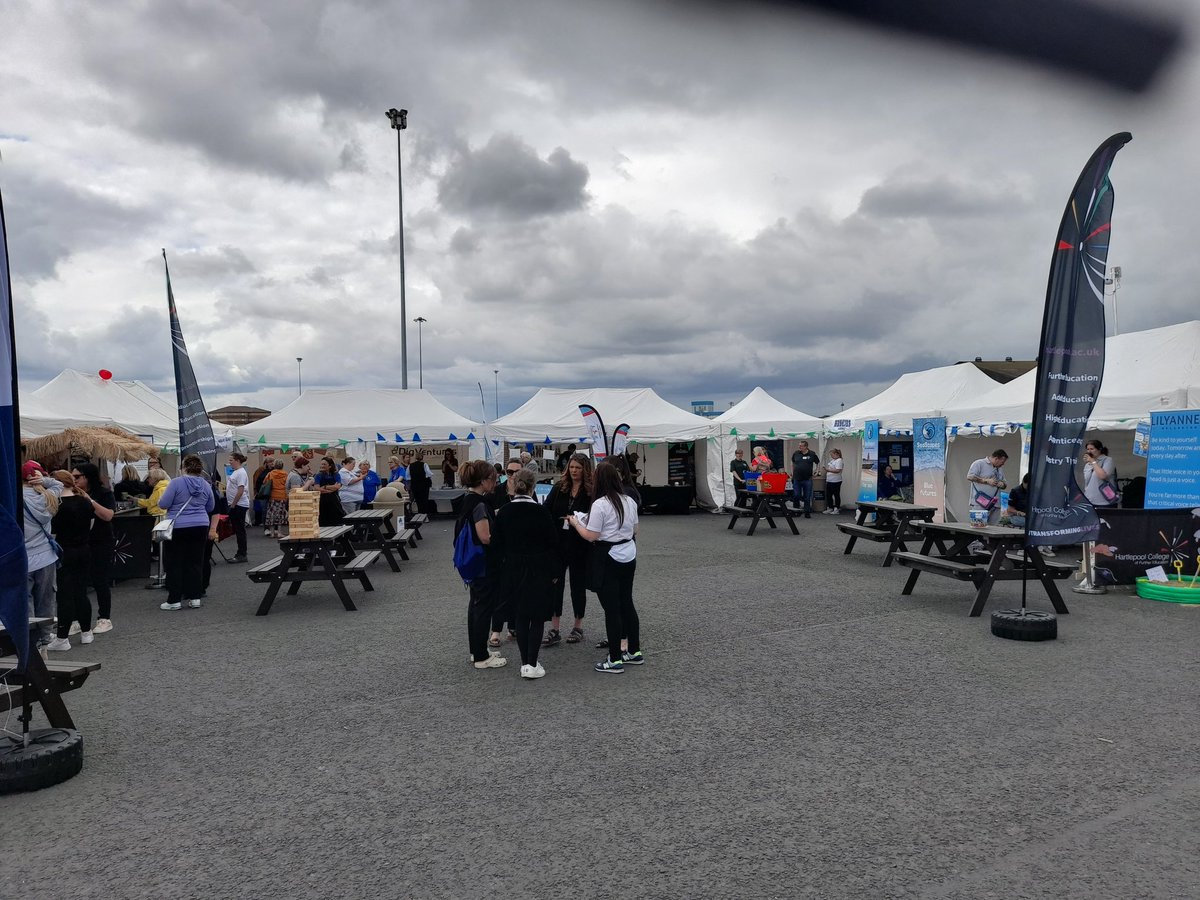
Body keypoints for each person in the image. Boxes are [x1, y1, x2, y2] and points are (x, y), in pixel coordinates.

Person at [568, 461, 641, 673]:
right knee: (626, 602)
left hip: (607, 556)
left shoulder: (600, 504)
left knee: (611, 608)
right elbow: (635, 530)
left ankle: (615, 659)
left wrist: (576, 523)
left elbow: (591, 535)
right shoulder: (629, 501)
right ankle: (634, 651)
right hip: (628, 554)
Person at [491, 467, 560, 679]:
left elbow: (496, 545)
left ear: (513, 484)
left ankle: (524, 663)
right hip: (539, 567)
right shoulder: (542, 512)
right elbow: (553, 544)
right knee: (537, 616)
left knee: (520, 615)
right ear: (533, 487)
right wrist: (555, 571)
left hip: (512, 567)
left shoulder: (504, 511)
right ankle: (532, 661)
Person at [457, 460, 506, 670]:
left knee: (475, 605)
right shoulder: (479, 504)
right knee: (483, 607)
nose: (495, 483)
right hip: (484, 563)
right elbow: (485, 537)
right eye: (493, 479)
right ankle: (481, 656)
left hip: (472, 563)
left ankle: (475, 650)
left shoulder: (468, 499)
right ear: (484, 480)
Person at [543, 452, 593, 647]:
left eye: (578, 468)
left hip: (580, 544)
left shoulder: (590, 492)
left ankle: (577, 625)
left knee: (578, 586)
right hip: (558, 544)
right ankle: (554, 628)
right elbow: (546, 509)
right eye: (571, 467)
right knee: (555, 585)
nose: (574, 471)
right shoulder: (559, 488)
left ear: (585, 470)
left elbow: (594, 516)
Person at [156, 453, 216, 611]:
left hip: (179, 526)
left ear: (184, 467)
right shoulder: (205, 484)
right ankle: (195, 597)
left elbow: (163, 503)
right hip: (201, 524)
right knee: (196, 562)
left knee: (175, 562)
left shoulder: (176, 483)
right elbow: (211, 507)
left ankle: (174, 599)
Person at [48, 467, 97, 651]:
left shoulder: (57, 506)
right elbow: (91, 525)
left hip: (65, 551)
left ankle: (62, 638)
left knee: (65, 595)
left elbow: (52, 534)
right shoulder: (85, 502)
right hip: (84, 549)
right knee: (81, 592)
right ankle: (87, 632)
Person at [73, 462, 117, 634]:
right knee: (79, 581)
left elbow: (108, 515)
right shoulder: (72, 494)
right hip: (81, 541)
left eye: (77, 477)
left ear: (87, 477)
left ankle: (104, 618)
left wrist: (89, 500)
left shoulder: (104, 493)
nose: (74, 480)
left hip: (101, 540)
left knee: (100, 580)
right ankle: (78, 619)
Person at [22, 461, 62, 650]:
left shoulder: (14, 497)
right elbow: (59, 484)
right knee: (46, 599)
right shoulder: (49, 497)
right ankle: (45, 638)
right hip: (46, 556)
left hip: (22, 558)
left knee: (26, 600)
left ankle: (31, 641)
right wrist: (45, 480)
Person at [967, 449, 1009, 524]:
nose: (1003, 464)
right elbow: (970, 477)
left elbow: (1005, 483)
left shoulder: (1000, 469)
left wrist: (1002, 484)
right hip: (980, 503)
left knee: (993, 528)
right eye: (1002, 462)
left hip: (995, 504)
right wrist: (986, 480)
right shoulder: (979, 463)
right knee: (979, 526)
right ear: (996, 458)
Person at [226, 452, 250, 562]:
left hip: (239, 504)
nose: (229, 462)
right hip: (236, 504)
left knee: (240, 530)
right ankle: (241, 553)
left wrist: (233, 505)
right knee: (238, 529)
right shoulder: (237, 472)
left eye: (231, 460)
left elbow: (240, 490)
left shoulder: (241, 473)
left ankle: (242, 554)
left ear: (237, 460)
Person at [1082, 439, 1119, 508]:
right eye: (1088, 449)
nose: (1089, 451)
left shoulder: (1107, 460)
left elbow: (1102, 476)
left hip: (1105, 501)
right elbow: (1087, 482)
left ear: (1099, 449)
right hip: (1089, 500)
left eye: (1092, 449)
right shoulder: (1087, 464)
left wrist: (1093, 461)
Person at [790, 440, 820, 518]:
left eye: (801, 446)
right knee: (796, 495)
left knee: (807, 496)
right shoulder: (796, 453)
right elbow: (792, 462)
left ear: (806, 446)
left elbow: (818, 462)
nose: (799, 447)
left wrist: (817, 471)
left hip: (807, 478)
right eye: (799, 445)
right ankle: (795, 510)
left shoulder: (812, 454)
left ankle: (807, 511)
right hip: (797, 478)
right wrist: (792, 472)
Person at [314, 456, 345, 525]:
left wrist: (324, 487)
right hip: (322, 501)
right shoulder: (318, 475)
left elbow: (337, 486)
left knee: (336, 520)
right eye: (321, 464)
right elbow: (317, 488)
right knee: (323, 520)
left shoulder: (336, 474)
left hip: (334, 500)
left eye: (324, 464)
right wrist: (331, 489)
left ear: (330, 466)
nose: (322, 466)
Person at [264, 458, 290, 538]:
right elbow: (287, 485)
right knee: (280, 514)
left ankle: (272, 533)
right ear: (282, 466)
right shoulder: (285, 474)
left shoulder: (270, 473)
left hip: (272, 496)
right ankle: (279, 532)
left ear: (274, 465)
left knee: (272, 514)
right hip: (282, 496)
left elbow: (265, 482)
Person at [408, 449, 434, 516]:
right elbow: (429, 474)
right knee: (424, 500)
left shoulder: (410, 466)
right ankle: (424, 515)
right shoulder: (424, 464)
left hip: (414, 486)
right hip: (424, 486)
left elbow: (407, 477)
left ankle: (420, 514)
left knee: (418, 501)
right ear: (422, 457)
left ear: (415, 457)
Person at [823, 448, 844, 514]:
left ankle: (837, 508)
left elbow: (838, 470)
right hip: (829, 480)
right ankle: (830, 507)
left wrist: (828, 470)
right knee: (828, 495)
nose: (831, 456)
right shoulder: (833, 460)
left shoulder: (839, 460)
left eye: (832, 454)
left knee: (836, 494)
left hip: (836, 481)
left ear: (836, 454)